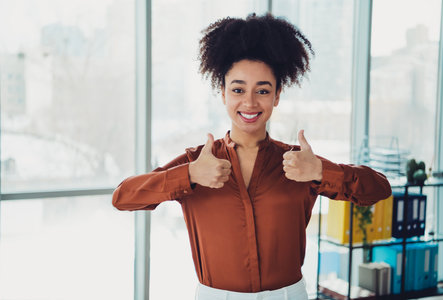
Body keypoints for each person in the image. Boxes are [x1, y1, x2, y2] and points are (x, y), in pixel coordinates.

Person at [112, 13, 392, 300]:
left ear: (277, 96)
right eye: (238, 89)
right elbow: (123, 197)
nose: (249, 102)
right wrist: (190, 175)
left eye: (262, 90)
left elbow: (379, 189)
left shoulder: (300, 163)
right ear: (222, 93)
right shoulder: (197, 162)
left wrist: (322, 171)